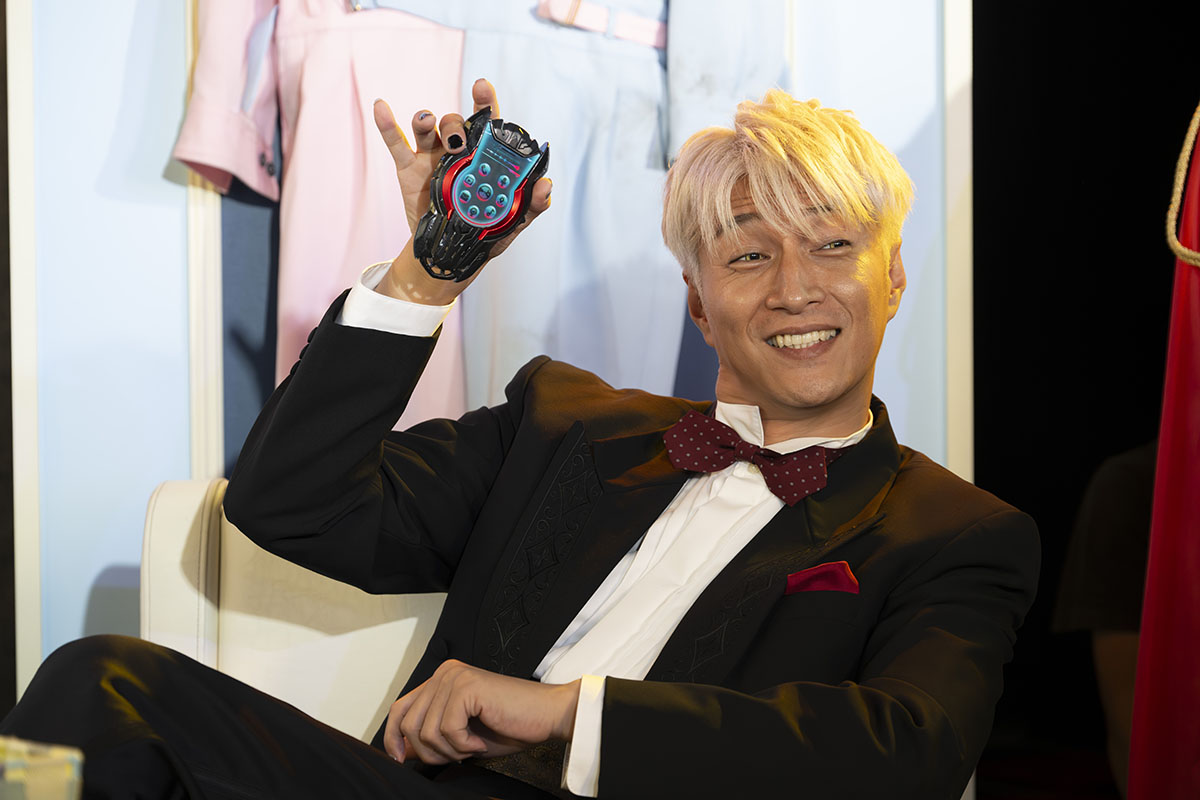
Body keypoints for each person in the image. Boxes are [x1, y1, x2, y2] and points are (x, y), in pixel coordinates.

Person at [2, 80, 1039, 800]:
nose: (796, 289)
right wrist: (428, 272)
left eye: (834, 246)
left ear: (892, 278)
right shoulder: (566, 426)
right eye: (747, 255)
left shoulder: (959, 533)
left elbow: (908, 754)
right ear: (697, 301)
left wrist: (565, 712)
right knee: (99, 686)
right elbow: (291, 506)